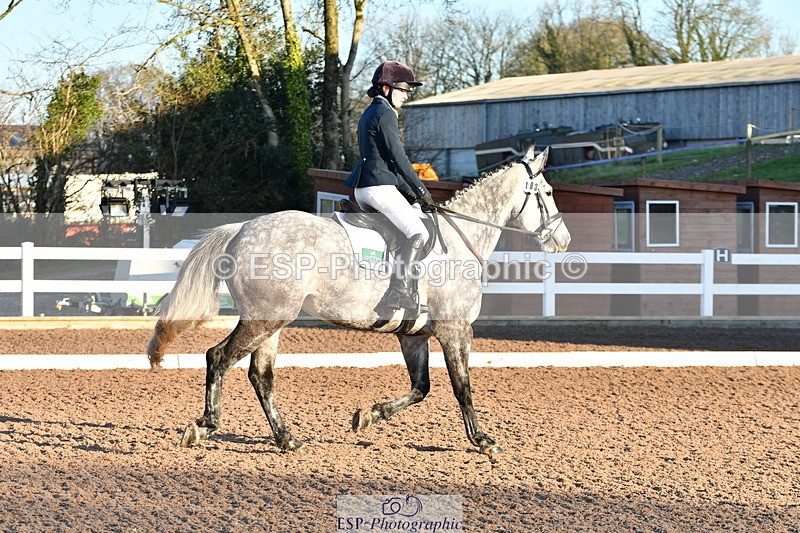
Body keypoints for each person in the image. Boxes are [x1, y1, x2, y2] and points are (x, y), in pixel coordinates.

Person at [344, 60, 436, 313]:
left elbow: (384, 157)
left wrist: (406, 190)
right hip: (377, 187)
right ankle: (397, 293)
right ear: (386, 88)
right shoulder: (386, 113)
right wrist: (421, 191)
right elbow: (398, 156)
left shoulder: (370, 111)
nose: (407, 95)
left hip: (364, 186)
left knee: (400, 230)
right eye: (403, 89)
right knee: (419, 232)